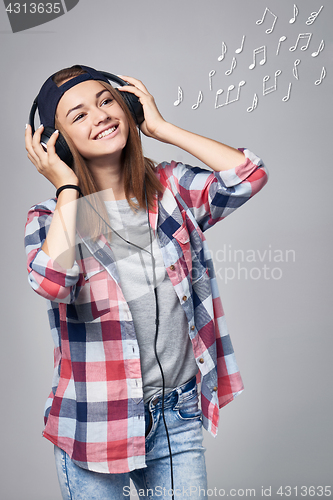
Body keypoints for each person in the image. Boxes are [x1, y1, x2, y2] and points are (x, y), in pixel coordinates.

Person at [24, 65, 268, 499]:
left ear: (127, 106)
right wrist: (65, 185)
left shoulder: (170, 188)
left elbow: (248, 175)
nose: (99, 115)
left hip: (177, 415)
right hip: (95, 424)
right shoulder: (51, 218)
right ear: (55, 144)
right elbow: (54, 282)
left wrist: (160, 127)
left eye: (106, 100)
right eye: (78, 115)